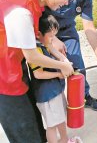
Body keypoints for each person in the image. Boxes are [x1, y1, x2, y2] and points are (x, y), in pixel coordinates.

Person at [0, 0, 75, 142]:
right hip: (4, 76)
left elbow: (42, 38)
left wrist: (56, 46)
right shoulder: (22, 12)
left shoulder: (37, 4)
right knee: (24, 131)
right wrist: (62, 66)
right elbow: (32, 56)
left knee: (34, 122)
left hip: (14, 66)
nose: (66, 2)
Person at [29, 13, 82, 143]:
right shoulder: (35, 51)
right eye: (51, 36)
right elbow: (38, 74)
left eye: (54, 35)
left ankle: (64, 140)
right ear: (38, 34)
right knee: (51, 125)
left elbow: (54, 50)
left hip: (55, 90)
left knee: (60, 118)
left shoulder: (46, 43)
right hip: (46, 96)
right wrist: (59, 74)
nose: (53, 39)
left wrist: (66, 62)